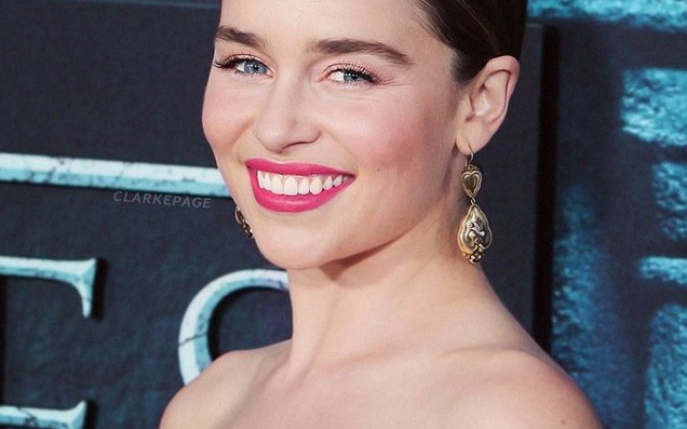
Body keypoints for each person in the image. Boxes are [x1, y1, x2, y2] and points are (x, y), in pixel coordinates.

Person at [161, 0, 602, 427]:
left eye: (349, 75)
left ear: (480, 102)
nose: (275, 129)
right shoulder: (209, 405)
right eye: (247, 65)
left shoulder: (508, 415)